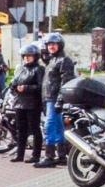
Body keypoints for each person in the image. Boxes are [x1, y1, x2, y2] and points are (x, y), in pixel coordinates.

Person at [33, 33, 77, 168]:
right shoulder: (52, 60)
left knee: (49, 125)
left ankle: (49, 156)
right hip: (49, 97)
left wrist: (60, 100)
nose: (51, 47)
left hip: (55, 98)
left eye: (54, 44)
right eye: (49, 44)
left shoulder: (64, 60)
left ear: (60, 45)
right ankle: (62, 156)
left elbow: (66, 82)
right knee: (58, 126)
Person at [8, 43, 45, 163]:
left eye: (29, 56)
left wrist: (26, 88)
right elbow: (13, 82)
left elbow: (41, 86)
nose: (26, 58)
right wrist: (14, 87)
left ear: (35, 56)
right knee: (20, 129)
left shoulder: (39, 69)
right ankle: (20, 155)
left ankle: (36, 155)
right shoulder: (21, 69)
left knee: (35, 129)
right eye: (24, 56)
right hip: (19, 103)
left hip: (33, 103)